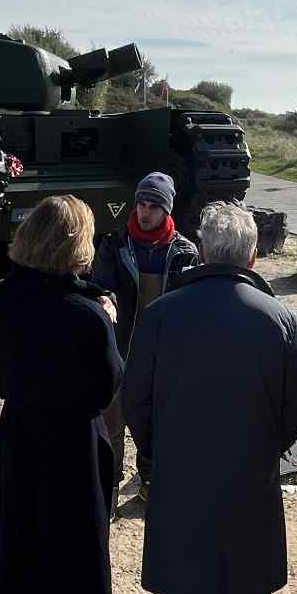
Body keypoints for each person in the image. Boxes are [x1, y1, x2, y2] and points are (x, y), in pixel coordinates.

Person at [124, 200, 297, 594]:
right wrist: (267, 451)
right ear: (253, 256)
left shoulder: (162, 314)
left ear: (202, 250)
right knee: (250, 591)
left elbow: (135, 398)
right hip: (250, 478)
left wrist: (156, 454)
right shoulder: (279, 318)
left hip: (180, 477)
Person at [0, 193, 125, 594]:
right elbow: (108, 387)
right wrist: (108, 321)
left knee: (26, 537)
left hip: (21, 436)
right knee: (77, 546)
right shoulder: (86, 314)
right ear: (75, 246)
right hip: (73, 442)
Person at [91, 171, 199, 513]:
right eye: (140, 203)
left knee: (156, 422)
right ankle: (107, 490)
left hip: (163, 353)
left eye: (153, 205)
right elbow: (100, 284)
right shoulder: (115, 245)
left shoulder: (184, 252)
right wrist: (105, 298)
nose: (144, 211)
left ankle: (150, 485)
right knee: (112, 421)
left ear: (167, 210)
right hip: (121, 349)